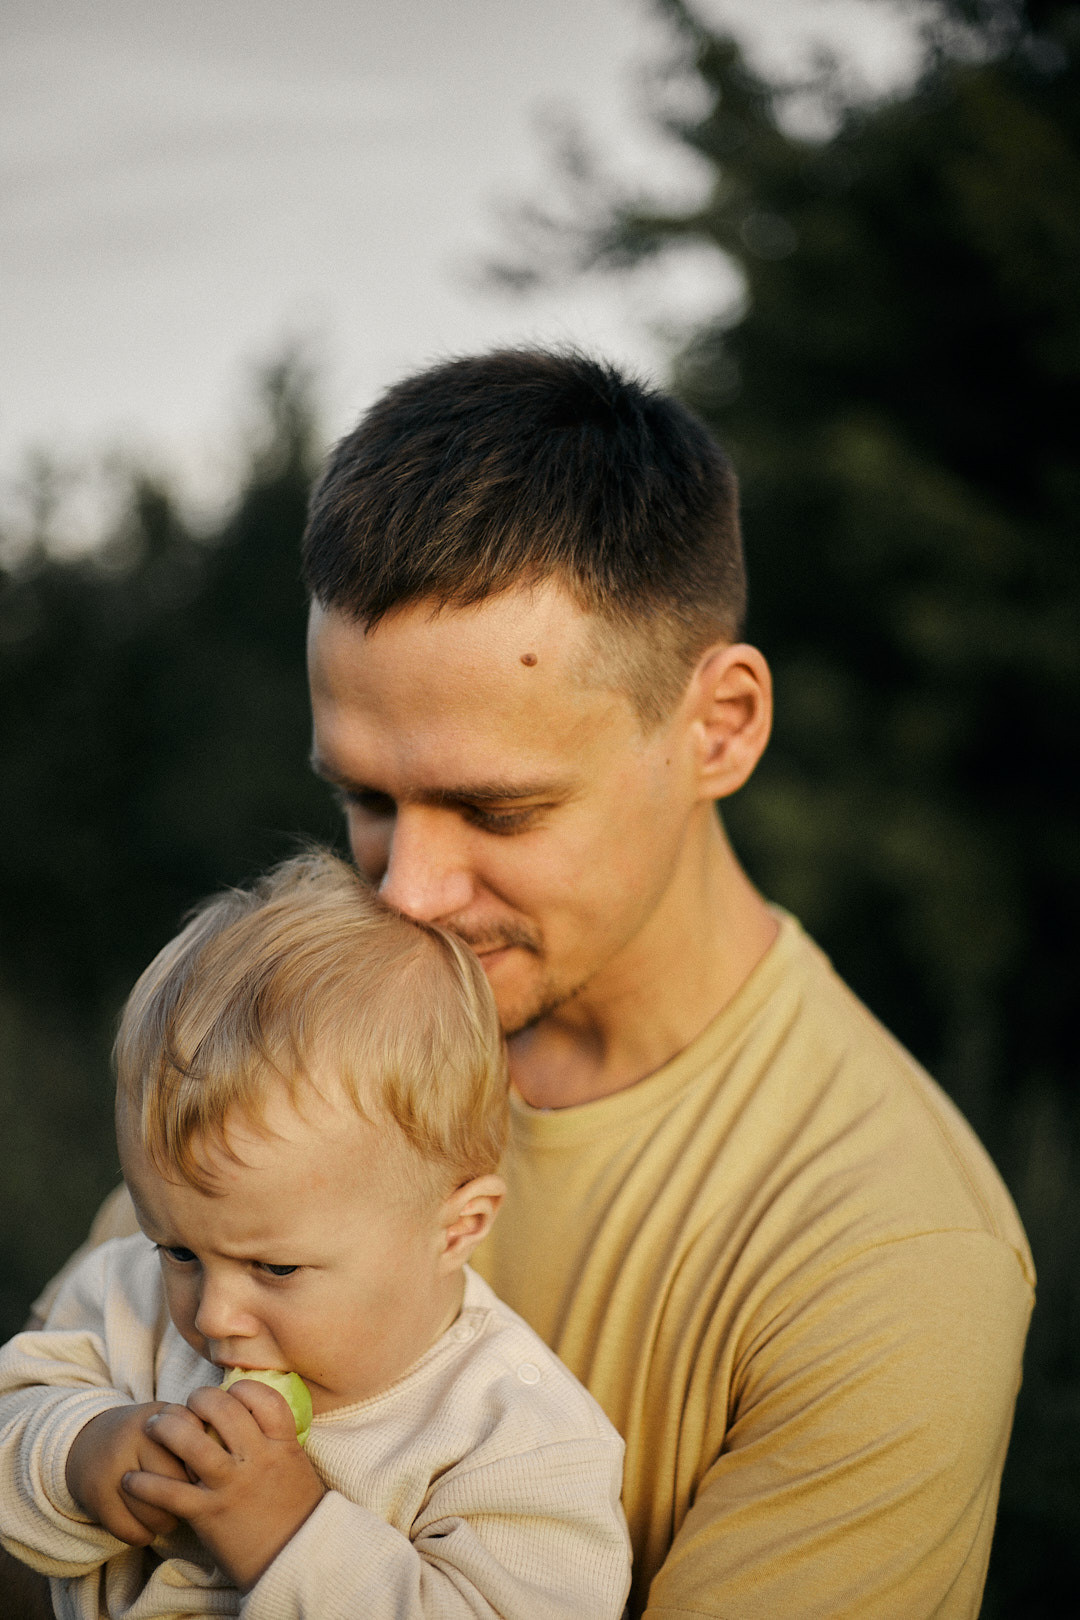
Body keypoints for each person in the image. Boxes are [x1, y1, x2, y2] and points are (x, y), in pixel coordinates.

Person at [20, 349, 1033, 1618]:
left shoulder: (886, 1257)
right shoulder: (309, 1046)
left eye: (496, 807)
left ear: (718, 725)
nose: (408, 895)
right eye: (365, 799)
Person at [0, 850, 631, 1620]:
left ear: (455, 1229)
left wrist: (288, 1535)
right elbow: (15, 1410)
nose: (212, 1316)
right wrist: (80, 1454)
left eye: (276, 1268)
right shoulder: (126, 1297)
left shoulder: (515, 1439)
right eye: (182, 1252)